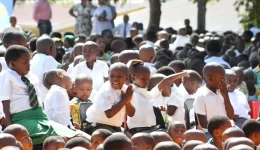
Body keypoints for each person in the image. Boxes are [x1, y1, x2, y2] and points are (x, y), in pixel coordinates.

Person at [85, 62, 135, 134]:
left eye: (119, 76)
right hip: (98, 125)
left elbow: (131, 114)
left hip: (115, 127)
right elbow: (109, 114)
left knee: (130, 141)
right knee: (116, 140)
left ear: (127, 77)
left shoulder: (126, 90)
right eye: (112, 76)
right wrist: (124, 100)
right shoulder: (105, 90)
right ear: (108, 76)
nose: (115, 79)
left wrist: (127, 102)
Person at [193, 63, 234, 138]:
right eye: (221, 78)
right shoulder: (201, 95)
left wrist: (226, 96)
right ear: (210, 78)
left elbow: (231, 116)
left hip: (226, 131)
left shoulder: (223, 91)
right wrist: (219, 131)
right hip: (209, 133)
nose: (224, 80)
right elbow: (203, 124)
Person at [127, 63, 157, 135]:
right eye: (143, 78)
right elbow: (123, 76)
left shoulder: (147, 93)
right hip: (137, 129)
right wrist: (130, 64)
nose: (146, 81)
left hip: (151, 128)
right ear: (133, 78)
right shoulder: (130, 89)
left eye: (148, 79)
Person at [30, 36, 58, 103]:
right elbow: (47, 80)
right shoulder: (49, 59)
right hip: (45, 99)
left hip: (32, 98)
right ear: (51, 49)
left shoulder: (32, 60)